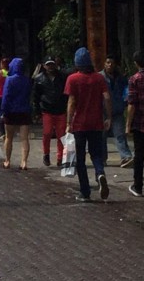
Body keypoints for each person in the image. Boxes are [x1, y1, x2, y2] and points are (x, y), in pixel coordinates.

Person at [65, 46, 112, 202]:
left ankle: (85, 192)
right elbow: (106, 97)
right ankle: (100, 174)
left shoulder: (73, 79)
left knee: (80, 158)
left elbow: (71, 102)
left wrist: (68, 122)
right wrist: (108, 117)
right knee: (96, 154)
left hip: (79, 124)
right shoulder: (99, 78)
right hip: (96, 123)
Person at [32, 57, 68, 167]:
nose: (50, 67)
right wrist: (37, 111)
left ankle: (60, 157)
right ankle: (46, 154)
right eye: (48, 64)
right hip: (46, 109)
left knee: (61, 135)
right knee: (47, 133)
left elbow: (66, 93)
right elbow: (35, 96)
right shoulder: (39, 79)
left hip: (60, 110)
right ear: (44, 65)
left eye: (52, 64)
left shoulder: (62, 77)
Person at [126, 50, 144, 197]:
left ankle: (138, 186)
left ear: (136, 63)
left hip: (139, 123)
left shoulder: (134, 79)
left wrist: (128, 124)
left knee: (139, 156)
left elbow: (132, 104)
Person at [101, 56, 133, 167]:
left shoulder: (120, 78)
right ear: (104, 64)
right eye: (108, 62)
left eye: (112, 63)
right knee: (102, 136)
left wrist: (125, 101)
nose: (110, 65)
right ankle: (102, 158)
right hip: (103, 111)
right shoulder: (100, 77)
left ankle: (126, 156)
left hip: (117, 109)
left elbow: (126, 90)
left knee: (120, 135)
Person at [1, 57, 32, 170]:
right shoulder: (27, 80)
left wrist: (3, 111)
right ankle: (24, 162)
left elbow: (6, 97)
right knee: (24, 138)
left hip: (11, 111)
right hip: (24, 111)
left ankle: (7, 160)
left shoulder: (9, 80)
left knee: (9, 137)